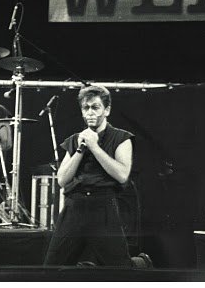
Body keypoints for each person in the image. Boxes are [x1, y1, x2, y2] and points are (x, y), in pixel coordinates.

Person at [44, 85, 137, 266]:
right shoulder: (75, 139)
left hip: (103, 208)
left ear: (107, 110)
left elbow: (122, 175)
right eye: (85, 108)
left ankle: (140, 262)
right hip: (74, 208)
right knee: (52, 267)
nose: (90, 113)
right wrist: (80, 149)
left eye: (95, 107)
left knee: (120, 270)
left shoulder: (121, 138)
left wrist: (95, 146)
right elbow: (62, 180)